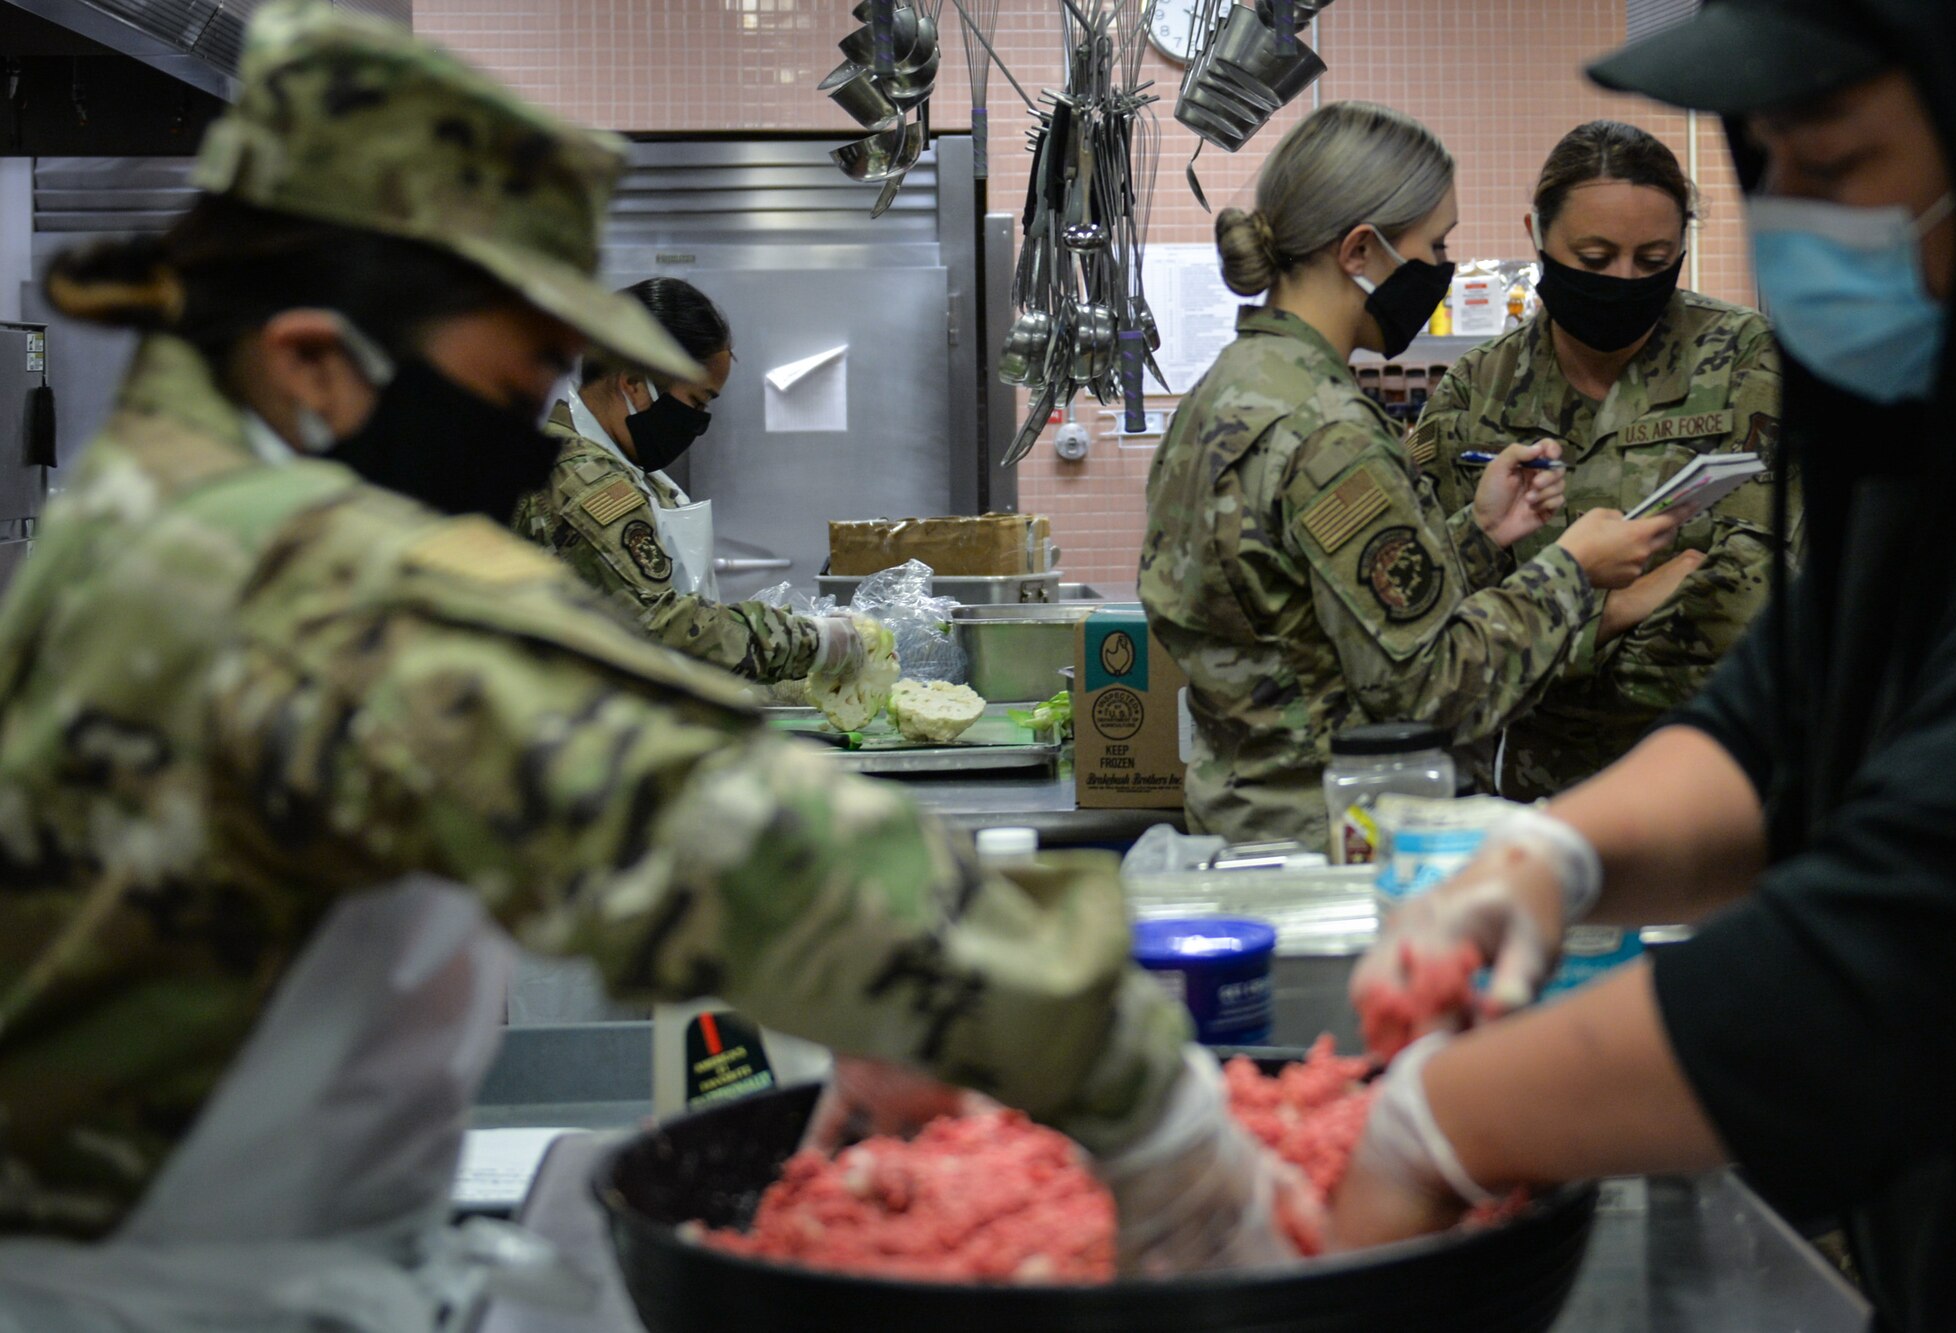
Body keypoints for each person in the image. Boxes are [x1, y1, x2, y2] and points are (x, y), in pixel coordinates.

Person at [0, 5, 1304, 1325]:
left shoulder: (149, 509)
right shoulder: (307, 591)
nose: (526, 451)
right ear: (315, 365)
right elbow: (720, 837)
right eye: (498, 396)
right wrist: (1128, 1068)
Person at [1332, 3, 1956, 1328]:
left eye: (1837, 164)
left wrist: (1437, 1122)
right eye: (1771, 167)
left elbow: (1910, 935)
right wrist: (1550, 858)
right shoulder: (1914, 430)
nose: (1795, 217)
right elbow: (1785, 713)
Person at [1138, 101, 1689, 851]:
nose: (1442, 266)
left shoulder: (1233, 389)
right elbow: (1430, 689)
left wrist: (1483, 533)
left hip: (1246, 820)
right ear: (1361, 251)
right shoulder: (1329, 430)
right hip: (1336, 837)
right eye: (1435, 244)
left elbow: (1320, 618)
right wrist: (1572, 573)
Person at [1415, 121, 1793, 799]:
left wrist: (1540, 642)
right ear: (1537, 233)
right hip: (1530, 791)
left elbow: (1755, 598)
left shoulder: (1744, 358)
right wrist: (1617, 608)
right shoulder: (1476, 390)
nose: (1624, 280)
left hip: (1712, 777)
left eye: (1653, 259)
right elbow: (1433, 618)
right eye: (1594, 258)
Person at [515, 278, 852, 684]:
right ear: (634, 381)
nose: (697, 423)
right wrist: (811, 643)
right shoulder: (580, 478)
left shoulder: (634, 473)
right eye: (695, 401)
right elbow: (664, 625)